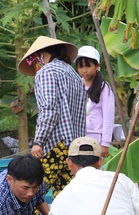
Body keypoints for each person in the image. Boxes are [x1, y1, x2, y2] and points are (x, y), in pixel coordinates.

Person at [18, 36, 87, 197]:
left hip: (56, 145)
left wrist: (38, 141)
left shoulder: (47, 72)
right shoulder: (74, 75)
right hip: (73, 147)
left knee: (30, 193)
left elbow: (49, 110)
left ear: (42, 55)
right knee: (67, 197)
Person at [74, 45, 115, 158]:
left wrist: (105, 143)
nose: (84, 70)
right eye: (80, 67)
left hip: (96, 137)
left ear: (97, 66)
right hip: (78, 135)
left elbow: (108, 116)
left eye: (88, 66)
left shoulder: (103, 88)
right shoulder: (77, 85)